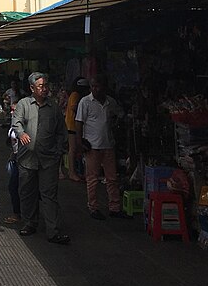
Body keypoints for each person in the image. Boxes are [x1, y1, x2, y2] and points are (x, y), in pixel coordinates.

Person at [11, 73, 70, 244]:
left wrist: (59, 151)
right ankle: (30, 223)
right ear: (32, 88)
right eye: (40, 86)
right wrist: (21, 134)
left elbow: (61, 131)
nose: (44, 89)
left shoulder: (54, 107)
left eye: (45, 86)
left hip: (49, 159)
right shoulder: (23, 104)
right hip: (27, 159)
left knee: (49, 195)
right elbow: (16, 122)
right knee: (27, 193)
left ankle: (53, 231)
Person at [75, 74, 127, 219]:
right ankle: (93, 207)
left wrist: (116, 125)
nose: (95, 89)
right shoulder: (85, 102)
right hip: (92, 146)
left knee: (112, 178)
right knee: (92, 179)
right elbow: (78, 123)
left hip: (108, 144)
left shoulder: (110, 102)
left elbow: (120, 115)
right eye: (93, 86)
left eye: (97, 86)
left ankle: (114, 207)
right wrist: (80, 142)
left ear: (104, 87)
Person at [64, 77, 89, 182]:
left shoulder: (74, 94)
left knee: (74, 149)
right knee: (73, 149)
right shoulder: (75, 94)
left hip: (72, 125)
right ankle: (72, 172)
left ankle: (74, 171)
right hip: (72, 125)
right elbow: (74, 107)